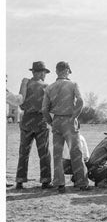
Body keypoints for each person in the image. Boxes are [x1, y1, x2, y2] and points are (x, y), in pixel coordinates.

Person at [42, 61, 90, 193]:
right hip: (69, 119)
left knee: (57, 154)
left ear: (56, 71)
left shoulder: (49, 87)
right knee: (76, 152)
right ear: (68, 71)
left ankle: (59, 183)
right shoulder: (73, 84)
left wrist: (51, 122)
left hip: (56, 120)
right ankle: (81, 182)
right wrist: (74, 116)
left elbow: (44, 109)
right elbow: (80, 101)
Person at [13, 62, 52, 190]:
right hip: (40, 120)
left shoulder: (25, 84)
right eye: (44, 72)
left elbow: (21, 104)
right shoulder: (46, 86)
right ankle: (45, 181)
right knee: (44, 152)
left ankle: (20, 180)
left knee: (23, 152)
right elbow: (49, 106)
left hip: (26, 120)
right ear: (40, 72)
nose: (45, 75)